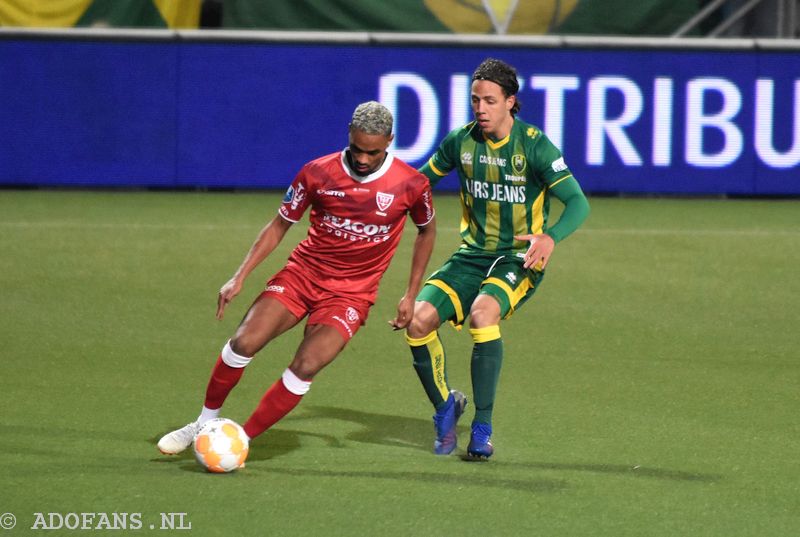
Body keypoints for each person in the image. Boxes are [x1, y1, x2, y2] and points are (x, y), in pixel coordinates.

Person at [158, 101, 436, 456]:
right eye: (357, 150)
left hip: (351, 295)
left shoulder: (411, 184)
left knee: (306, 364)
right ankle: (203, 422)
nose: (363, 159)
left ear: (390, 141)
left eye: (373, 152)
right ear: (348, 136)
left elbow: (426, 232)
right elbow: (280, 225)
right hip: (302, 276)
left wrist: (410, 294)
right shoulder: (317, 173)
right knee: (244, 342)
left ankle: (239, 441)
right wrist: (239, 276)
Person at [405, 58, 590, 459]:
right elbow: (417, 183)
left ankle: (482, 426)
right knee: (418, 321)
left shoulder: (535, 145)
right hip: (471, 256)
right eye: (475, 100)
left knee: (482, 315)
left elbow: (577, 202)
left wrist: (551, 236)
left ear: (510, 101)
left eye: (489, 100)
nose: (480, 108)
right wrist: (375, 193)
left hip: (517, 258)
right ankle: (445, 407)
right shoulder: (460, 141)